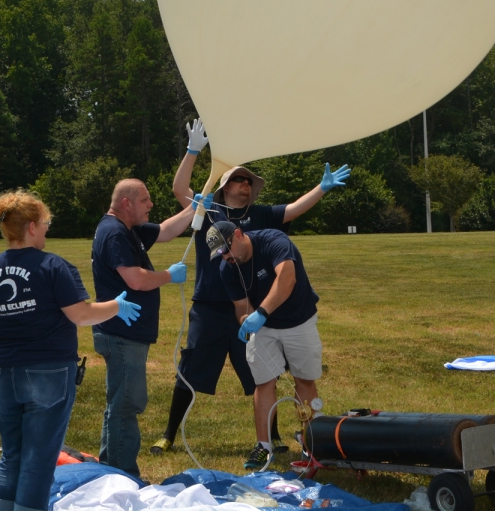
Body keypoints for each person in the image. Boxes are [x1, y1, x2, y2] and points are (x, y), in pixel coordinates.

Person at [150, 118, 348, 458]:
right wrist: (193, 151)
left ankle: (272, 439)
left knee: (263, 374)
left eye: (248, 180)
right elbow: (178, 189)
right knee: (191, 368)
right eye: (238, 179)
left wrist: (322, 188)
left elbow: (295, 209)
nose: (245, 184)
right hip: (210, 305)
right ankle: (169, 434)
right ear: (226, 186)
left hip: (253, 309)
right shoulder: (209, 209)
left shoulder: (263, 215)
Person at [0, 190, 142, 511]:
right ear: (31, 227)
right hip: (47, 372)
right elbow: (81, 315)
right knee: (39, 460)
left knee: (12, 455)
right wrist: (117, 306)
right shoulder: (54, 265)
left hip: (0, 374)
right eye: (46, 222)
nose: (48, 228)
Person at [91, 178, 194, 478]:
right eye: (145, 200)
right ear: (127, 203)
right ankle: (123, 475)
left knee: (119, 403)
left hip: (125, 333)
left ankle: (110, 470)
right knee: (128, 404)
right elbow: (135, 279)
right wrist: (167, 275)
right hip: (122, 334)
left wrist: (195, 208)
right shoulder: (114, 234)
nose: (151, 205)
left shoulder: (128, 229)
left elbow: (165, 230)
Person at [208, 219, 324, 472]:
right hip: (264, 326)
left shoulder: (273, 240)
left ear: (238, 234)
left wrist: (261, 312)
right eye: (219, 254)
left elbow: (287, 279)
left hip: (298, 320)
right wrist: (246, 322)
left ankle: (310, 443)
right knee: (264, 382)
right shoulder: (227, 269)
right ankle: (264, 446)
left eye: (226, 249)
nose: (225, 257)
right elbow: (241, 306)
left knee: (304, 380)